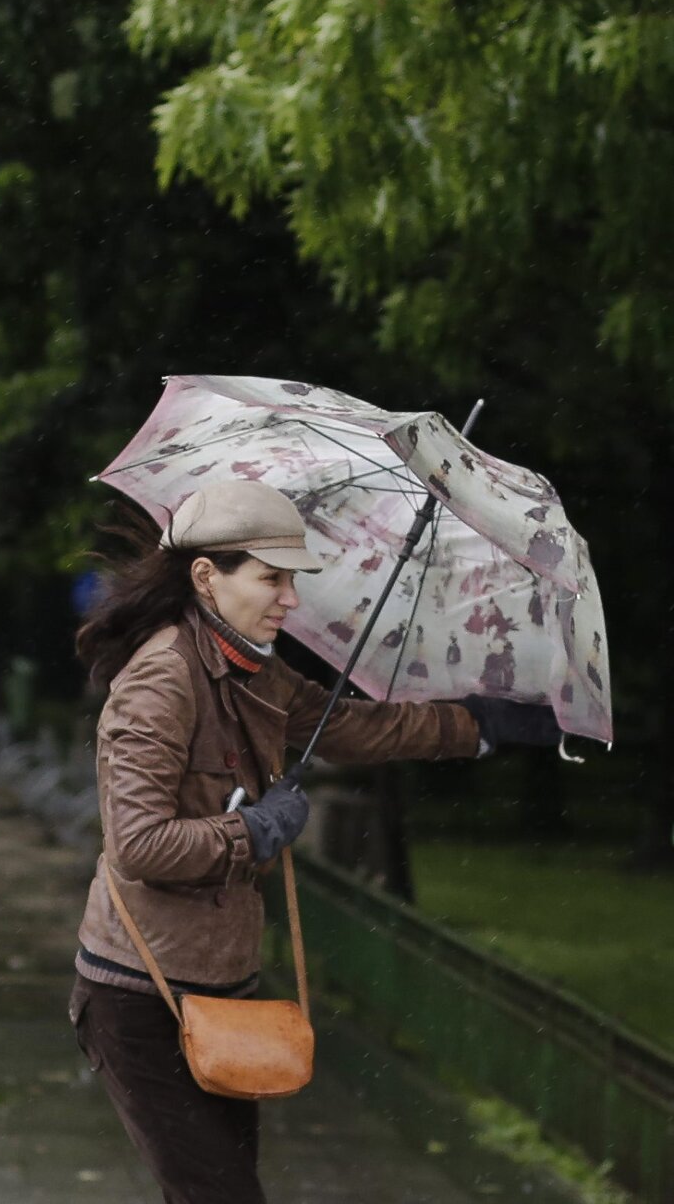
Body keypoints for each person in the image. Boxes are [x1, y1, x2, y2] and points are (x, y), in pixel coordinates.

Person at [69, 481, 561, 1204]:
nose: (290, 600)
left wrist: (480, 724)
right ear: (207, 577)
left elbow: (355, 727)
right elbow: (139, 845)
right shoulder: (160, 679)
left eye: (292, 580)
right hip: (139, 1000)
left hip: (225, 995)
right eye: (271, 578)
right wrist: (253, 829)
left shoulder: (253, 671)